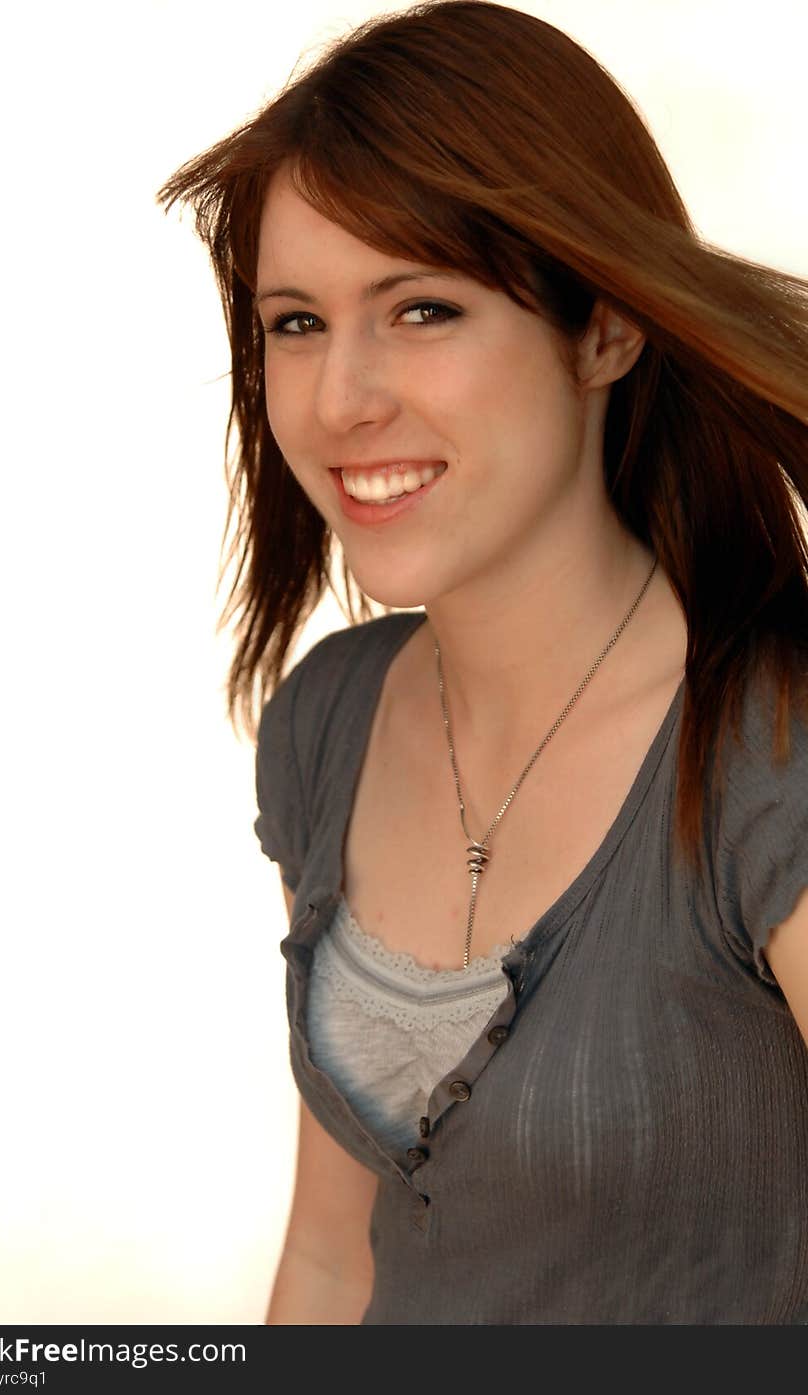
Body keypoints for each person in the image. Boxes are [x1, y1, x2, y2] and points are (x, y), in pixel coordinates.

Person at [156, 1, 808, 1324]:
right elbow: (335, 1263)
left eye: (423, 308)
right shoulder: (327, 723)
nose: (344, 400)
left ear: (605, 330)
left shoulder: (767, 746)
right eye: (296, 322)